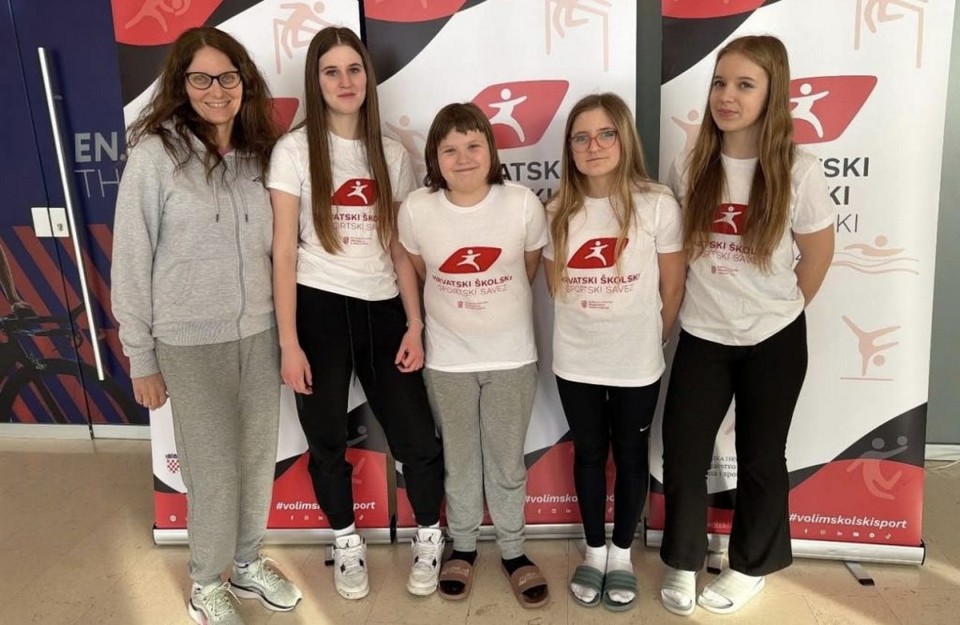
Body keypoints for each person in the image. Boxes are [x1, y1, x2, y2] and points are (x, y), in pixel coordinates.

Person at [112, 26, 301, 625]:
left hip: (258, 335)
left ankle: (246, 562)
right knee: (212, 469)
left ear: (244, 82)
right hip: (189, 342)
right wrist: (141, 356)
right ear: (181, 85)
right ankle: (205, 581)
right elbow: (132, 258)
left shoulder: (260, 155)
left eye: (227, 77)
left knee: (256, 460)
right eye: (201, 78)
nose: (216, 90)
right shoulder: (156, 157)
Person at [658, 35, 835, 616]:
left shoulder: (799, 171)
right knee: (684, 452)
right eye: (719, 83)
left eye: (744, 85)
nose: (726, 96)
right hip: (703, 335)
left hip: (773, 339)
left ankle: (750, 566)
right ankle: (683, 560)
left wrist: (776, 311)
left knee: (762, 457)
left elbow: (817, 255)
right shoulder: (690, 165)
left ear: (772, 93)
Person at [267, 26, 445, 600]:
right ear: (315, 81)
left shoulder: (390, 154)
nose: (345, 82)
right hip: (318, 308)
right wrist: (289, 343)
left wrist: (414, 323)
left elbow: (398, 246)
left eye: (353, 69)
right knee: (325, 439)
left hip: (384, 309)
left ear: (367, 77)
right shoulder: (293, 151)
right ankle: (345, 540)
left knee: (416, 435)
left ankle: (429, 533)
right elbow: (284, 250)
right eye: (331, 71)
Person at [397, 102, 550, 608]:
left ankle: (513, 550)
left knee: (506, 462)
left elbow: (527, 269)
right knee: (460, 462)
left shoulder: (522, 204)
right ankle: (462, 545)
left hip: (511, 358)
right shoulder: (417, 210)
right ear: (434, 158)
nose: (463, 158)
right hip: (448, 362)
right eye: (450, 150)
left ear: (491, 150)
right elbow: (421, 270)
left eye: (473, 145)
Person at [543, 93, 685, 611]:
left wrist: (649, 339)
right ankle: (595, 550)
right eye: (581, 137)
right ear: (570, 149)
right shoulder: (557, 210)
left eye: (606, 134)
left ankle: (621, 554)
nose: (594, 146)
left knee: (629, 456)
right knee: (588, 454)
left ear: (625, 139)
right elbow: (556, 287)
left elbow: (673, 287)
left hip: (636, 363)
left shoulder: (657, 204)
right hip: (576, 360)